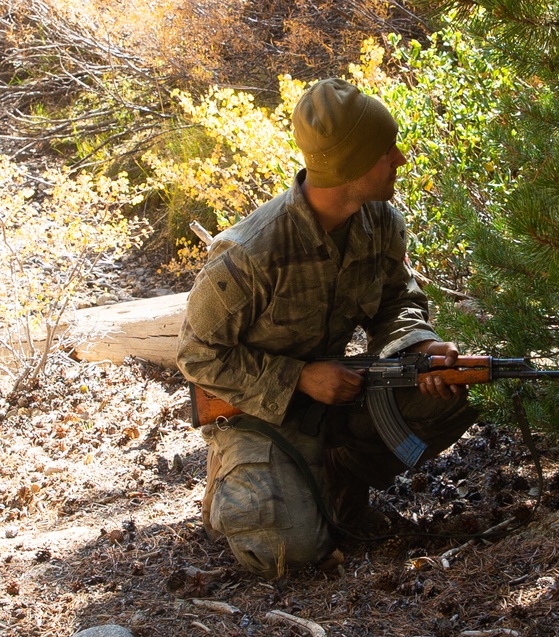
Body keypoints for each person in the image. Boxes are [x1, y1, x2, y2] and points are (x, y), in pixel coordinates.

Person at [176, 79, 478, 578]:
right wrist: (297, 378)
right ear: (351, 167)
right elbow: (198, 355)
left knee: (452, 394)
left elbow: (396, 303)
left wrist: (421, 346)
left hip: (340, 398)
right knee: (285, 556)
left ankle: (332, 476)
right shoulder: (251, 253)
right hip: (256, 416)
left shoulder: (379, 221)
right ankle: (240, 481)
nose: (399, 159)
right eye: (386, 151)